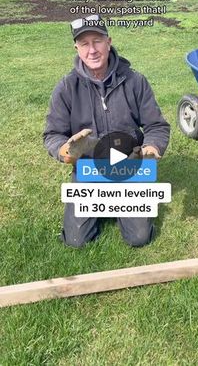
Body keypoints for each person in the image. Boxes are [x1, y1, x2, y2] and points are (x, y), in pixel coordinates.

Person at [43, 14, 170, 248]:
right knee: (76, 241)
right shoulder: (66, 87)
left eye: (97, 41)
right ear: (77, 48)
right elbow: (52, 134)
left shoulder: (135, 81)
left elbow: (157, 126)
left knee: (139, 237)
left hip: (129, 165)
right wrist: (65, 152)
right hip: (89, 167)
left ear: (108, 42)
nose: (92, 50)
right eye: (84, 43)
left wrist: (152, 147)